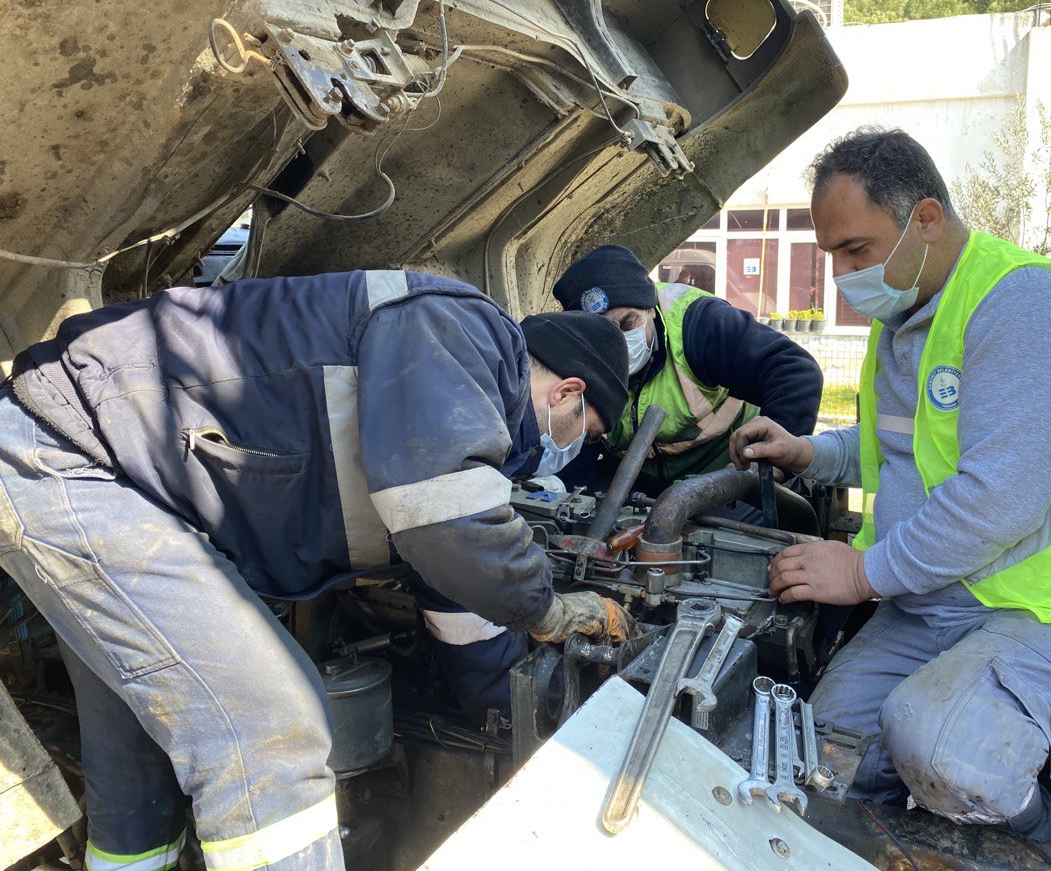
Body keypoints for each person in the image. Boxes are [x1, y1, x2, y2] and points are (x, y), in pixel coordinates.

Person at [0, 270, 633, 870]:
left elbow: (456, 583)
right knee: (271, 729)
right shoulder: (462, 330)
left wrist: (524, 714)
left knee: (136, 749)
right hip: (71, 454)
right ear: (568, 393)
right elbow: (450, 526)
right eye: (586, 430)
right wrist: (549, 609)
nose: (572, 446)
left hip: (108, 470)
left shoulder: (462, 440)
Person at [730, 128, 1051, 844]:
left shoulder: (1029, 305)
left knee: (944, 751)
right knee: (822, 763)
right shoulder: (905, 315)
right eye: (831, 254)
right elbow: (905, 452)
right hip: (940, 600)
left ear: (926, 219)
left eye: (855, 250)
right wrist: (810, 453)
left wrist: (861, 574)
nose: (841, 275)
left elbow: (998, 497)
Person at [552, 244, 823, 494]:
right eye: (601, 334)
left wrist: (766, 463)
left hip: (727, 474)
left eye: (627, 323)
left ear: (651, 309)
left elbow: (795, 372)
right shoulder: (573, 360)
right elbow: (573, 441)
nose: (617, 342)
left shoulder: (699, 325)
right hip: (635, 479)